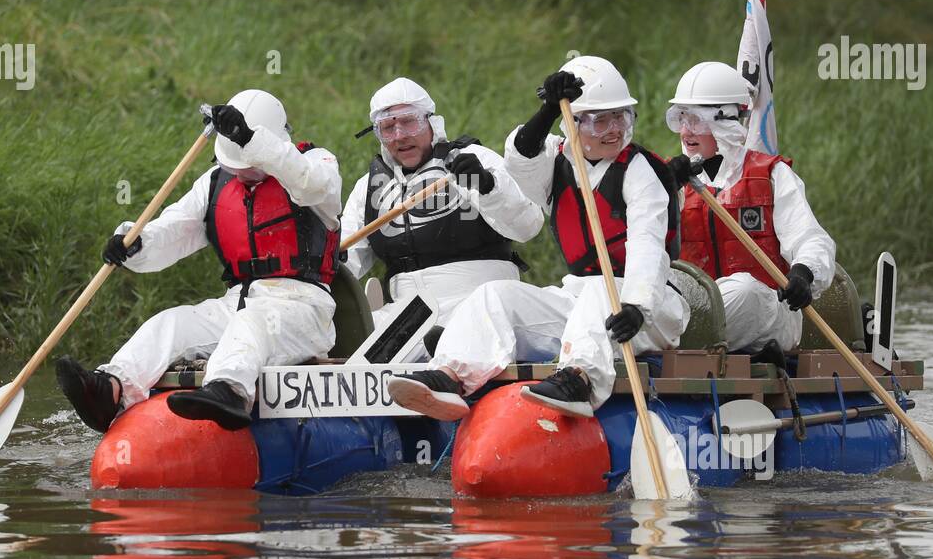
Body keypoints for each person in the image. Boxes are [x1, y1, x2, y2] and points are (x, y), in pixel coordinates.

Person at [387, 56, 689, 420]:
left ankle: (579, 380)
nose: (613, 130)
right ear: (571, 123)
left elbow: (647, 245)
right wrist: (548, 107)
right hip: (583, 300)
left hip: (648, 311)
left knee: (598, 291)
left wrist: (637, 305)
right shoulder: (558, 159)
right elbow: (522, 162)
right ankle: (452, 376)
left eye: (621, 117)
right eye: (598, 120)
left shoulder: (642, 171)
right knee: (495, 294)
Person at [54, 89, 342, 432]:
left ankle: (230, 391)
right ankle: (111, 389)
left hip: (302, 309)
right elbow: (172, 232)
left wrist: (251, 141)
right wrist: (134, 243)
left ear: (268, 144)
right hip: (236, 303)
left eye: (248, 166)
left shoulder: (315, 165)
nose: (240, 175)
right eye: (233, 166)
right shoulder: (214, 184)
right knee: (169, 324)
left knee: (251, 325)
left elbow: (311, 186)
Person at [341, 77, 543, 338]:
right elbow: (345, 261)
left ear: (431, 121)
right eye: (387, 127)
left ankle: (444, 367)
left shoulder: (473, 161)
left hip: (477, 299)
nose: (400, 136)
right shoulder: (369, 187)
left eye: (409, 121)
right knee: (351, 345)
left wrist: (487, 186)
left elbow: (528, 226)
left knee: (457, 340)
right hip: (406, 312)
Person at [665, 62, 836, 357]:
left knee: (744, 290)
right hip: (690, 309)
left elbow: (811, 239)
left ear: (726, 122)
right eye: (681, 118)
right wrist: (666, 191)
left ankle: (678, 342)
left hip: (767, 312)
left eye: (696, 120)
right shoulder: (667, 178)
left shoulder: (772, 175)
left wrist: (804, 273)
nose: (685, 131)